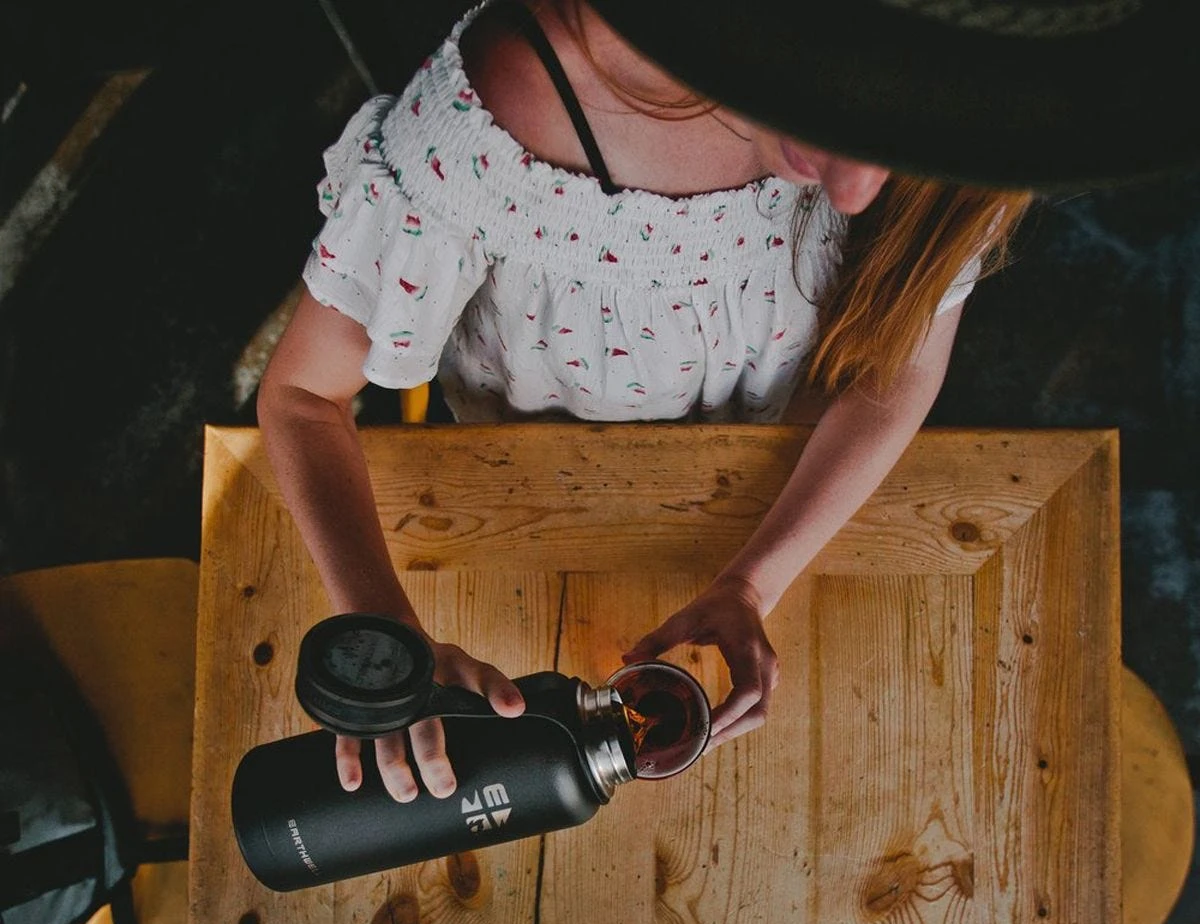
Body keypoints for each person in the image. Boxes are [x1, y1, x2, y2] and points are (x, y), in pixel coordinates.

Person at [256, 0, 1188, 804]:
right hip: (519, 508)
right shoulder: (504, 111)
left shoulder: (976, 101)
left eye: (893, 145)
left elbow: (896, 370)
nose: (855, 195)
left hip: (770, 494)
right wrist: (387, 639)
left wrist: (754, 581)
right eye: (828, 121)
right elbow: (301, 397)